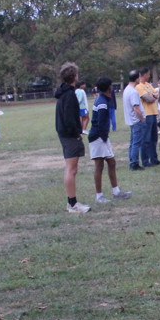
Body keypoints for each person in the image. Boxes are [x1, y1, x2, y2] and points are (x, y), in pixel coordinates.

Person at [87, 76, 132, 203]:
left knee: (111, 162)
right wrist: (103, 138)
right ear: (108, 87)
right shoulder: (102, 102)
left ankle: (116, 192)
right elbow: (100, 122)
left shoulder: (104, 99)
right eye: (111, 85)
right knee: (99, 165)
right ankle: (99, 196)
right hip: (98, 137)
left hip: (102, 137)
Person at [55, 62, 90, 213]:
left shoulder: (64, 93)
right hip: (69, 136)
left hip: (65, 134)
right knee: (71, 169)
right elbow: (69, 118)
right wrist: (76, 133)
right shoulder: (69, 95)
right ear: (74, 76)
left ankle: (72, 203)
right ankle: (72, 204)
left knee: (71, 169)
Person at [136, 68, 160, 166]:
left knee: (154, 138)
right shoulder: (139, 87)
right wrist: (153, 96)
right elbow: (148, 99)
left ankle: (154, 159)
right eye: (148, 74)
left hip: (154, 113)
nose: (149, 76)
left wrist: (153, 95)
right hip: (147, 114)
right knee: (146, 138)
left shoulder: (148, 85)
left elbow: (157, 94)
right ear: (144, 75)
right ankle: (145, 161)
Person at [122, 70, 146, 170]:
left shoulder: (126, 90)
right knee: (136, 143)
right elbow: (136, 108)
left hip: (131, 121)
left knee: (132, 143)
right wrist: (142, 119)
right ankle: (134, 163)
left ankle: (132, 161)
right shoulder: (133, 92)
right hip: (136, 121)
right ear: (137, 78)